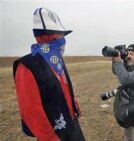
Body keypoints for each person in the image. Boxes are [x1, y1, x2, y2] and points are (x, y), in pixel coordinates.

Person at [13, 8, 85, 141]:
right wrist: (49, 138)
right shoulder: (27, 66)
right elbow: (31, 111)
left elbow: (65, 85)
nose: (63, 41)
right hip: (55, 133)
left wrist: (75, 107)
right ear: (48, 37)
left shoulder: (56, 59)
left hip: (72, 123)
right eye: (60, 36)